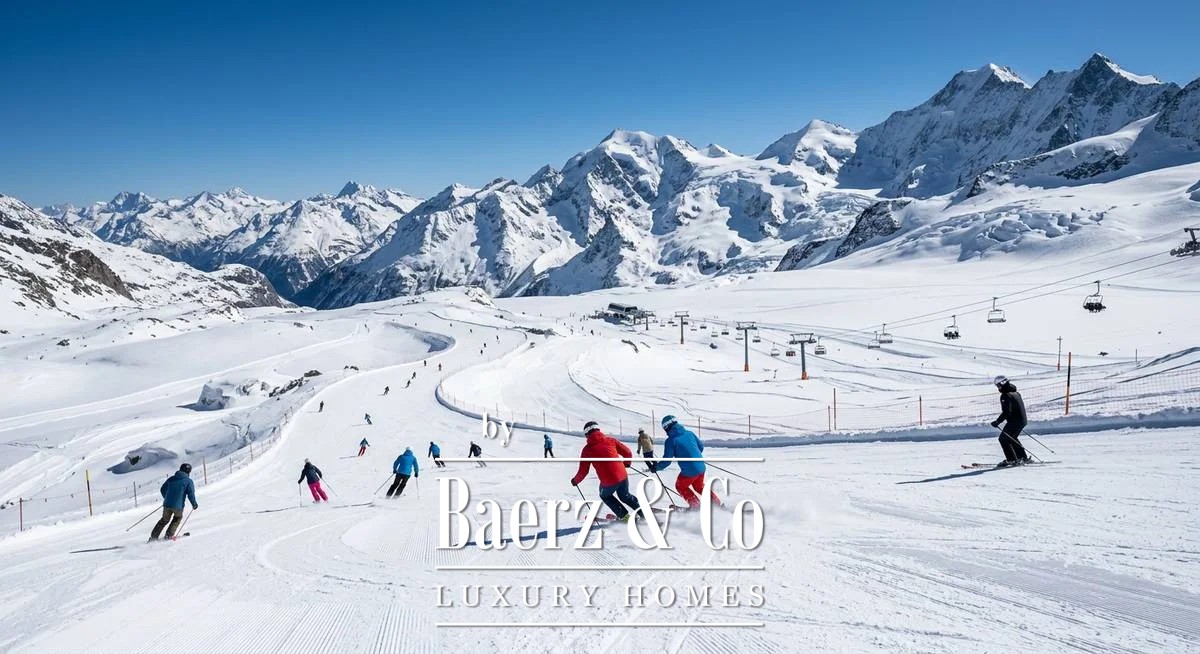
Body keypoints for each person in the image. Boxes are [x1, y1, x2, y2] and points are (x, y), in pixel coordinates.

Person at [571, 421, 641, 521]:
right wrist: (627, 463)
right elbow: (628, 452)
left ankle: (625, 516)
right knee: (625, 496)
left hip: (608, 481)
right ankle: (643, 512)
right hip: (623, 476)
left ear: (587, 434)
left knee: (605, 495)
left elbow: (584, 470)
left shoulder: (587, 450)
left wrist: (575, 480)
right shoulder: (611, 440)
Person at [653, 415, 720, 509]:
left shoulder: (671, 441)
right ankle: (716, 503)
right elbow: (701, 447)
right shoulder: (689, 433)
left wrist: (656, 467)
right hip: (701, 466)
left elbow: (667, 461)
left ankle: (696, 506)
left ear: (666, 427)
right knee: (699, 486)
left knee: (680, 486)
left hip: (690, 470)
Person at [149, 463, 197, 541]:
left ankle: (153, 537)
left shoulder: (171, 478)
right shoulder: (188, 481)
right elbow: (190, 494)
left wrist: (167, 498)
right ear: (188, 471)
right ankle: (169, 535)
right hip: (178, 506)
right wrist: (194, 504)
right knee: (177, 518)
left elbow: (162, 489)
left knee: (164, 520)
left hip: (167, 504)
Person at [990, 375, 1030, 466]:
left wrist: (997, 422)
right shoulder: (1015, 393)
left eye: (998, 385)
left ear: (1002, 383)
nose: (998, 388)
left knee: (1003, 439)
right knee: (1012, 438)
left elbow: (1007, 412)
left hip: (1014, 422)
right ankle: (1022, 457)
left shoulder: (1005, 395)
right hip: (1022, 420)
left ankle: (1011, 459)